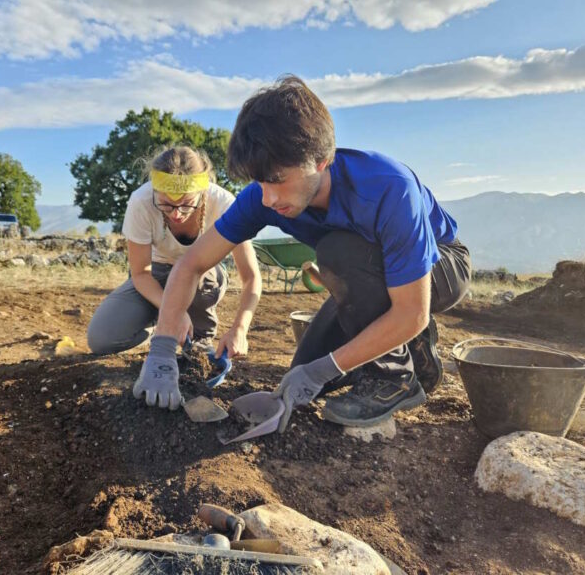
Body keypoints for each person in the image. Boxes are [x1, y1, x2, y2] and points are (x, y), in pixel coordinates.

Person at [133, 76, 471, 430]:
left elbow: (411, 310)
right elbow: (190, 265)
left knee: (338, 253)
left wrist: (328, 367)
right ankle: (417, 356)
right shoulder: (263, 196)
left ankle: (395, 379)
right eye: (258, 182)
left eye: (277, 180)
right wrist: (162, 349)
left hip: (442, 265)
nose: (267, 198)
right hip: (370, 278)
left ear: (322, 160)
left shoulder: (388, 188)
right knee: (302, 373)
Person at [87, 146, 262, 401]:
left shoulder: (224, 204)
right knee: (101, 339)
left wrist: (240, 328)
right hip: (155, 276)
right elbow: (140, 274)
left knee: (201, 275)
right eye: (166, 205)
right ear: (155, 191)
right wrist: (173, 311)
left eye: (186, 205)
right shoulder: (141, 201)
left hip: (203, 275)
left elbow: (252, 278)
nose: (177, 214)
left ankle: (200, 339)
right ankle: (161, 325)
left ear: (202, 192)